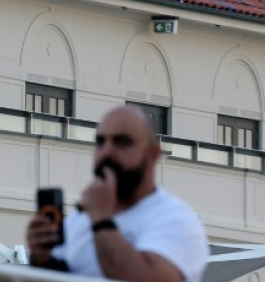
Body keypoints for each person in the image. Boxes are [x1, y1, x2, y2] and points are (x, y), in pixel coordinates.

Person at [26, 105, 208, 282]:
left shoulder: (178, 220)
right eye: (100, 142)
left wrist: (102, 221)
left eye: (122, 142)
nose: (107, 152)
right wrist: (42, 259)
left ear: (153, 154)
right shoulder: (78, 219)